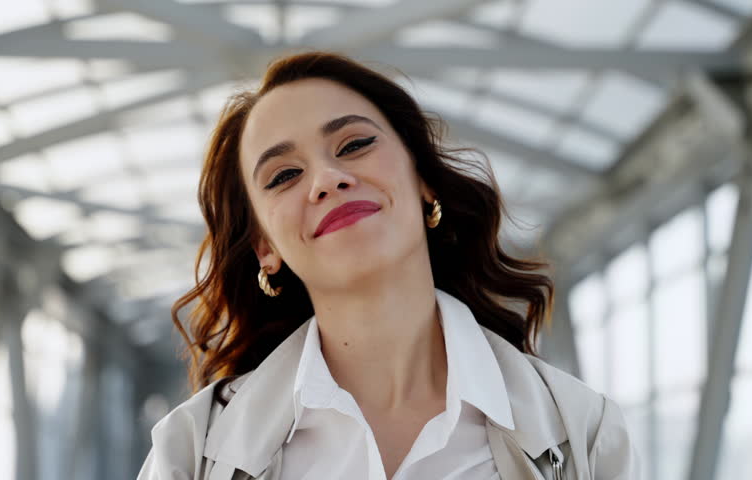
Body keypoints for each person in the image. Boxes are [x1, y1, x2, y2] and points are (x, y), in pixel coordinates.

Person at [137, 52, 639, 480]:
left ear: (424, 181)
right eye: (285, 175)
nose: (328, 179)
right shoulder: (188, 453)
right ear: (265, 249)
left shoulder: (584, 431)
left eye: (354, 145)